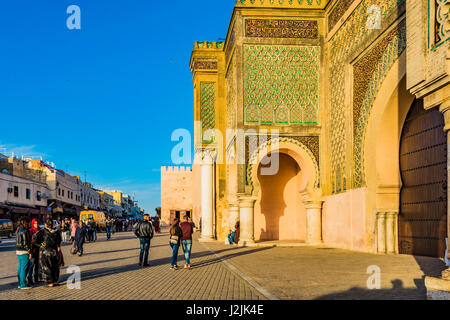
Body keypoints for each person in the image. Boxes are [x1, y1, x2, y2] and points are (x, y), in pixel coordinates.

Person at [32, 219, 62, 287]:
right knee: (52, 266)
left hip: (47, 252)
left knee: (49, 266)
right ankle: (53, 281)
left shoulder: (43, 231)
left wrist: (40, 244)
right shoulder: (54, 232)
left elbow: (34, 239)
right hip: (51, 251)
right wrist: (40, 244)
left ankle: (51, 281)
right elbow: (59, 241)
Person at [16, 216, 32, 289]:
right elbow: (26, 243)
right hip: (24, 251)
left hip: (18, 251)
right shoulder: (25, 231)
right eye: (29, 222)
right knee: (24, 268)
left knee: (20, 268)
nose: (30, 224)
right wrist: (29, 252)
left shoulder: (19, 230)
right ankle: (23, 284)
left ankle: (20, 283)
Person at [28, 218, 41, 285]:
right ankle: (29, 279)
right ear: (33, 224)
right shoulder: (30, 230)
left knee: (37, 265)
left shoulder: (40, 230)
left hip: (39, 250)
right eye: (35, 223)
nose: (37, 224)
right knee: (31, 265)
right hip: (33, 250)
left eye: (37, 223)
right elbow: (30, 241)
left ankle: (36, 278)